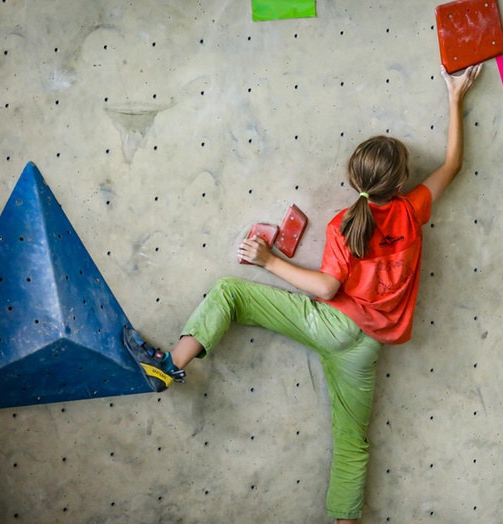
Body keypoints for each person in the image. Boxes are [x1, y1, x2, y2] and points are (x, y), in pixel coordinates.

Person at [124, 63, 482, 523]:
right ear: (400, 183)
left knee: (231, 293)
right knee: (353, 443)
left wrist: (270, 261)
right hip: (367, 349)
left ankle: (170, 366)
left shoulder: (344, 224)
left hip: (331, 323)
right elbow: (454, 163)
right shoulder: (412, 211)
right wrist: (455, 97)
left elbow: (328, 286)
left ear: (354, 181)